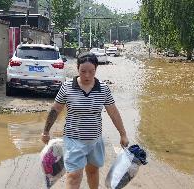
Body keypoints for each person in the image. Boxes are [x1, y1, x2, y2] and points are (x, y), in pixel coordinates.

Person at [41, 52, 129, 189]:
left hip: (95, 140)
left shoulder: (103, 89)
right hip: (73, 140)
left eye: (91, 71)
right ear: (77, 69)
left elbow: (113, 112)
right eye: (83, 71)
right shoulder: (67, 87)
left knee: (93, 172)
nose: (87, 75)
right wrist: (46, 131)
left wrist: (122, 133)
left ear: (96, 69)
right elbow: (55, 110)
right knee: (74, 175)